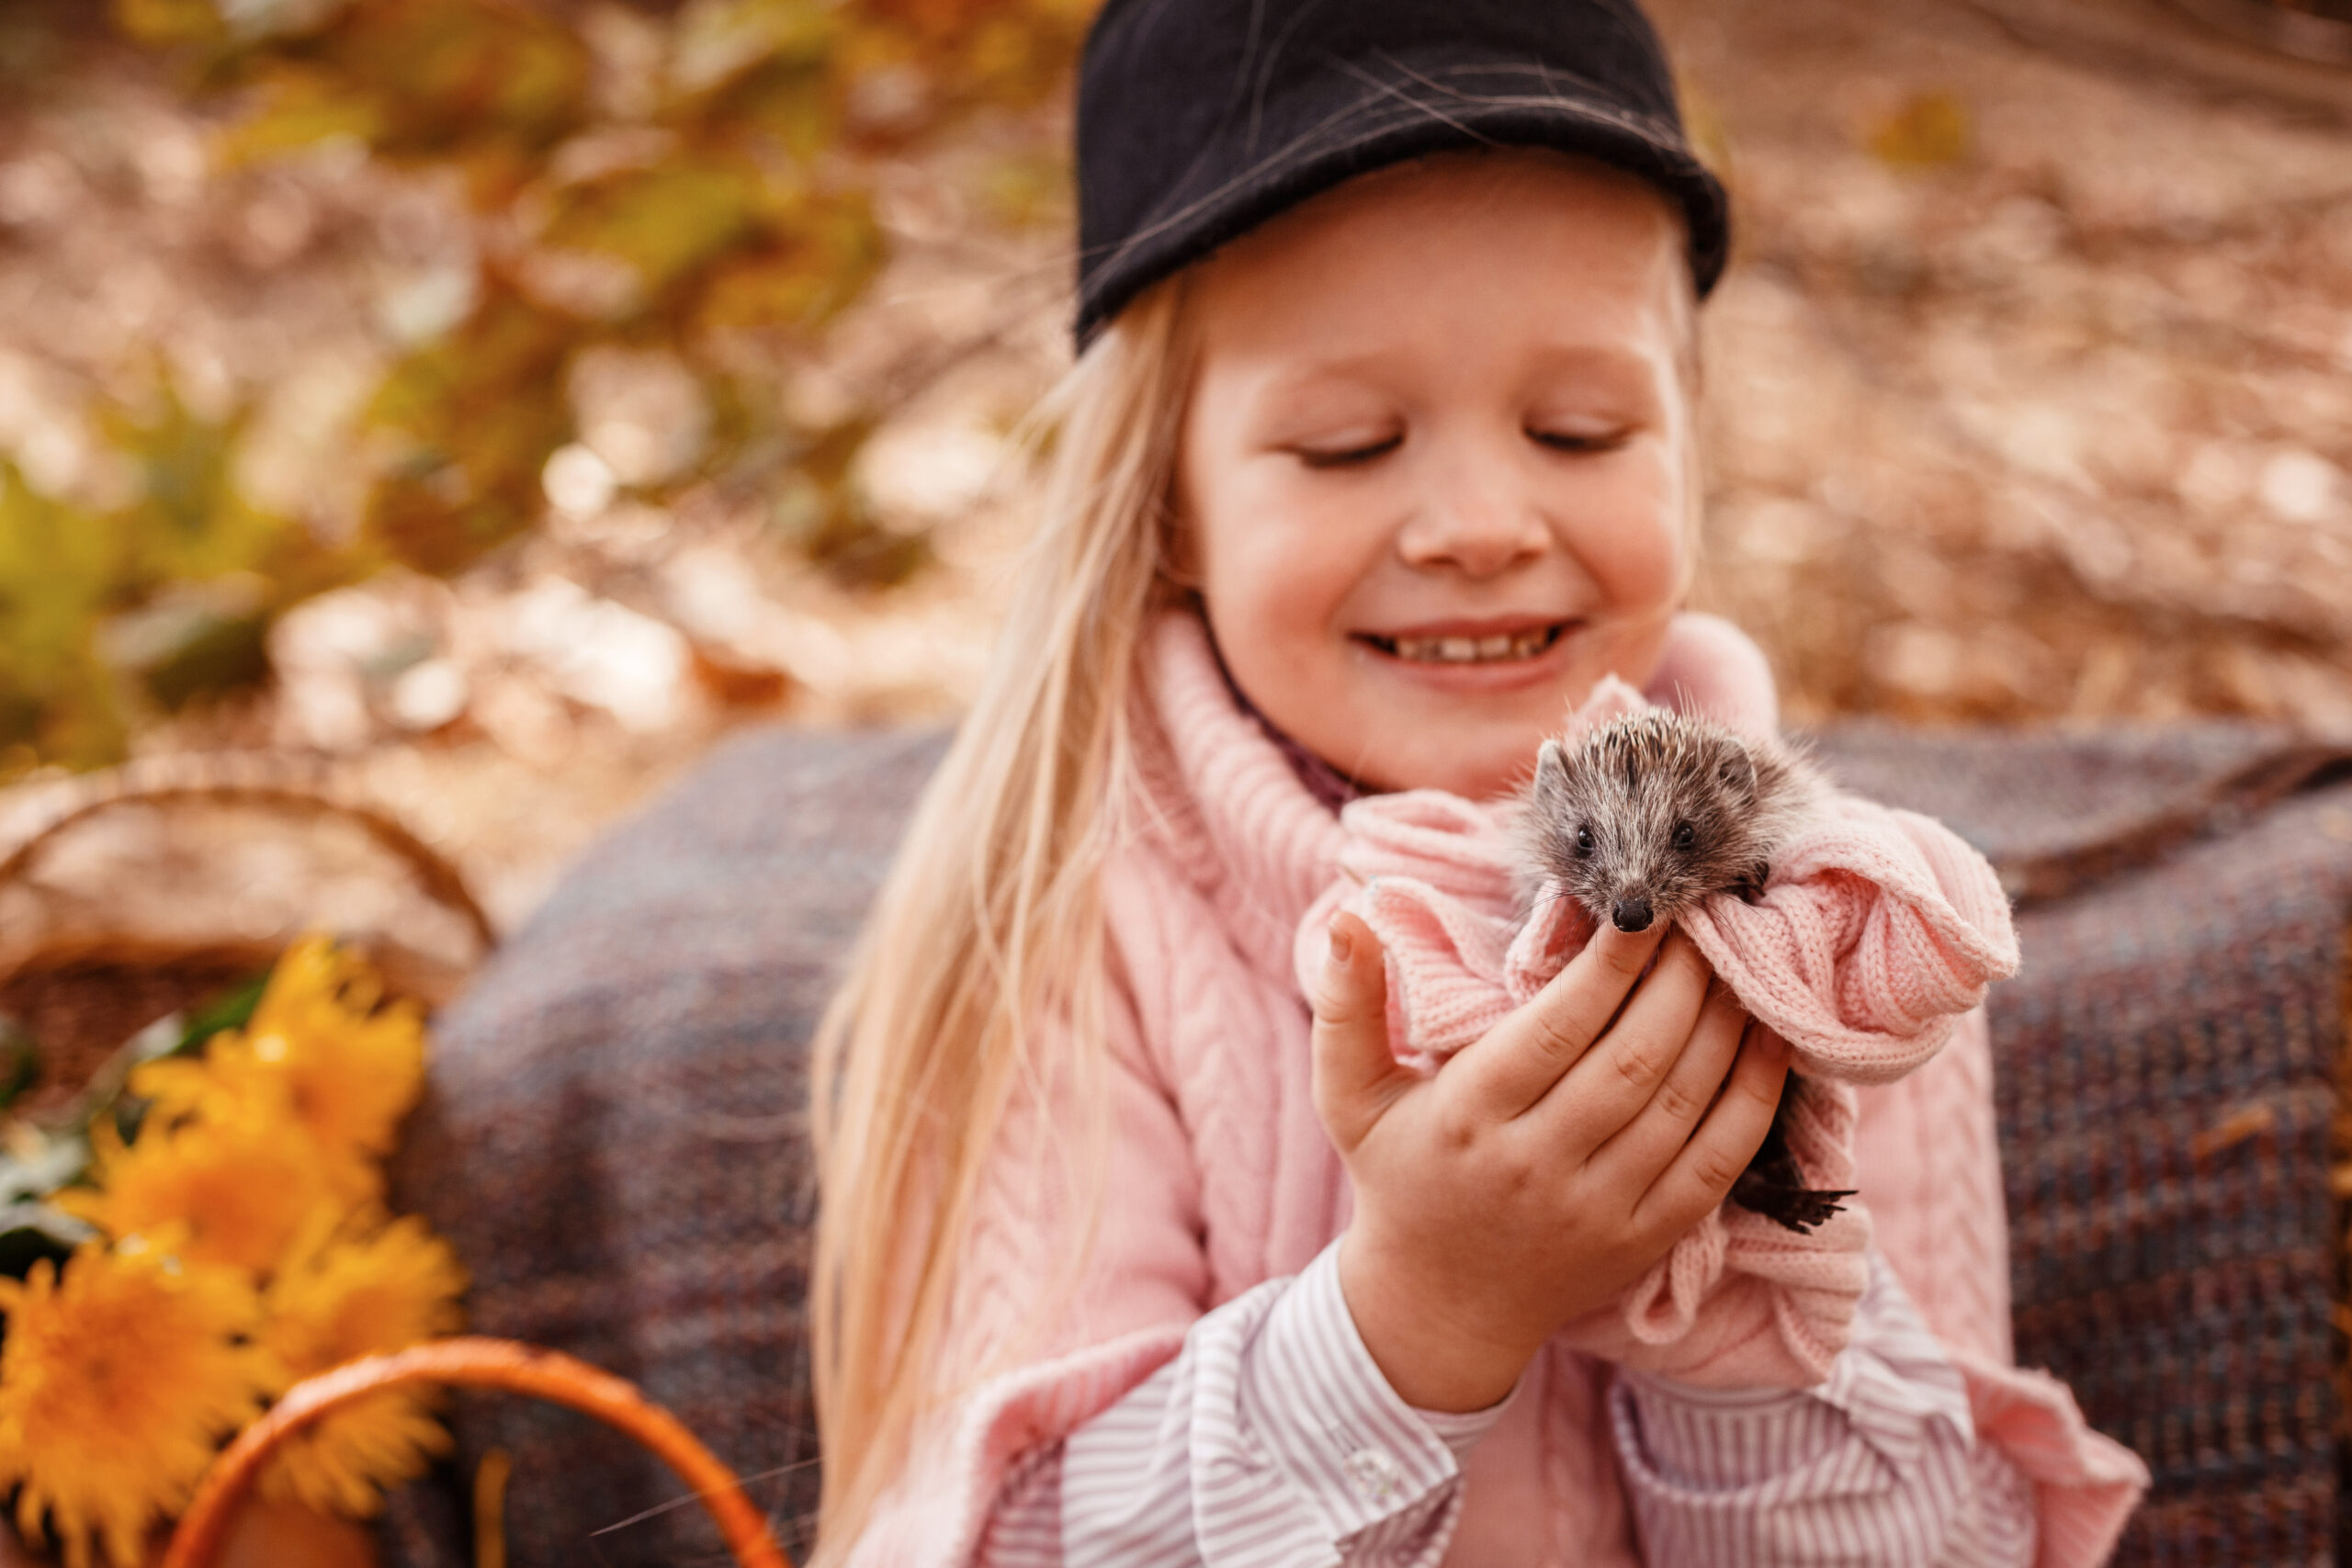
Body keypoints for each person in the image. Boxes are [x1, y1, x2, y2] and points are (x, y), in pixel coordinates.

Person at [808, 2, 2150, 1563]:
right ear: (1165, 504)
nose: (1478, 522)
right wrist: (1421, 1313)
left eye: (1578, 429)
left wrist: (1738, 1336)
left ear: (1683, 447)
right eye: (1347, 441)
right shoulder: (1067, 920)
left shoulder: (1845, 932)